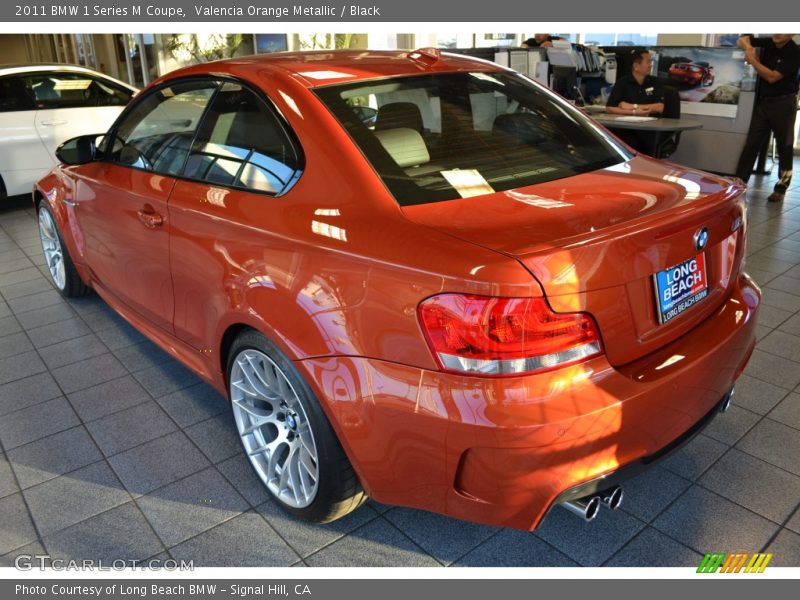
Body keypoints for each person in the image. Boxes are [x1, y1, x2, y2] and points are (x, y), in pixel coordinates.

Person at [734, 34, 800, 203]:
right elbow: (742, 39)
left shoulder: (794, 51)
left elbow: (772, 77)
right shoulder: (769, 42)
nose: (777, 33)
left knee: (784, 146)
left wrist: (754, 61)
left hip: (784, 103)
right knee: (751, 144)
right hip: (763, 103)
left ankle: (781, 188)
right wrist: (749, 49)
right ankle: (739, 184)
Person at [604, 49, 666, 153]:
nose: (650, 65)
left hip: (650, 130)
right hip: (627, 130)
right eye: (648, 62)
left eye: (651, 62)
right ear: (636, 66)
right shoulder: (622, 83)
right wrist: (633, 112)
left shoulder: (656, 82)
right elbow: (610, 108)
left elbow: (660, 107)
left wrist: (633, 106)